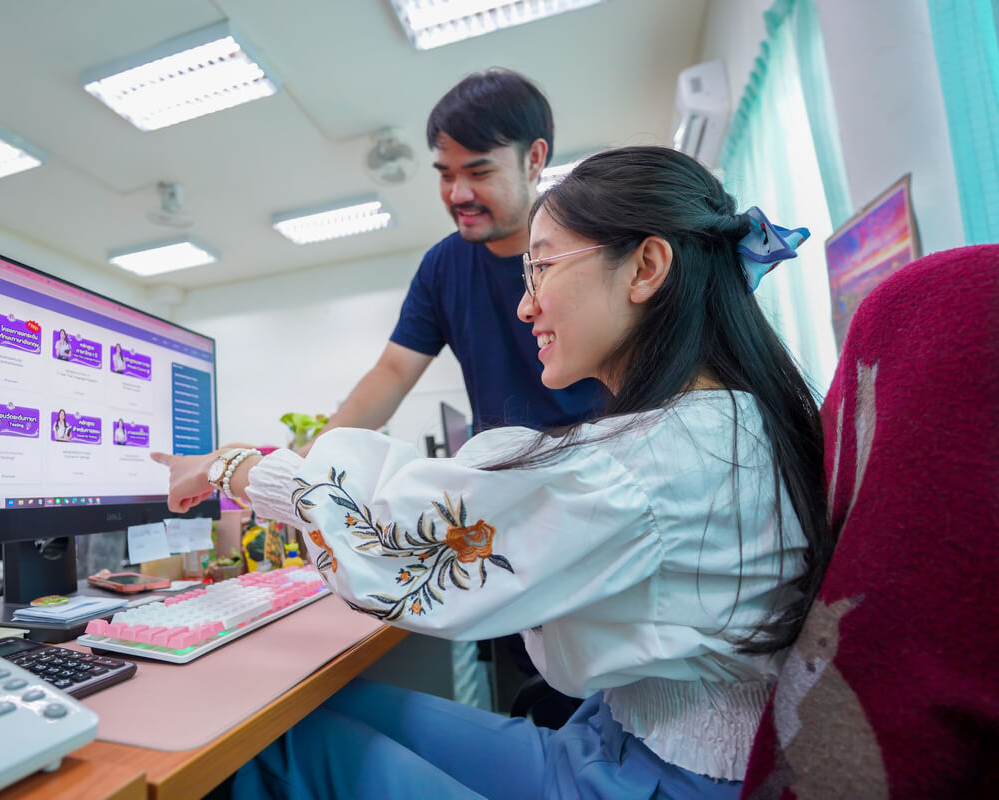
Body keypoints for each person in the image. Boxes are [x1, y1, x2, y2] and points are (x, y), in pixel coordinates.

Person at [151, 146, 833, 798]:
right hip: (621, 742)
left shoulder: (657, 462)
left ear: (646, 267)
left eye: (543, 268)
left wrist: (232, 465)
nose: (525, 305)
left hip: (657, 780)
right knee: (316, 711)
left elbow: (395, 539)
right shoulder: (719, 422)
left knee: (266, 746)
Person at [307, 69, 603, 453]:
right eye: (446, 175)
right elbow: (393, 372)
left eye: (479, 172)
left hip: (598, 465)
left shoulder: (587, 246)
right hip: (498, 472)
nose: (458, 194)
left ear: (533, 159)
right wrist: (309, 457)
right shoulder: (442, 267)